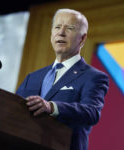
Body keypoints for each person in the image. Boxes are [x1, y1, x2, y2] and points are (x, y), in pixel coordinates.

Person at [16, 8, 109, 150]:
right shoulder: (33, 77)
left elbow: (92, 112)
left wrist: (52, 107)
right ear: (52, 34)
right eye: (57, 27)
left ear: (82, 39)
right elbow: (13, 109)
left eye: (70, 28)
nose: (61, 32)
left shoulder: (94, 77)